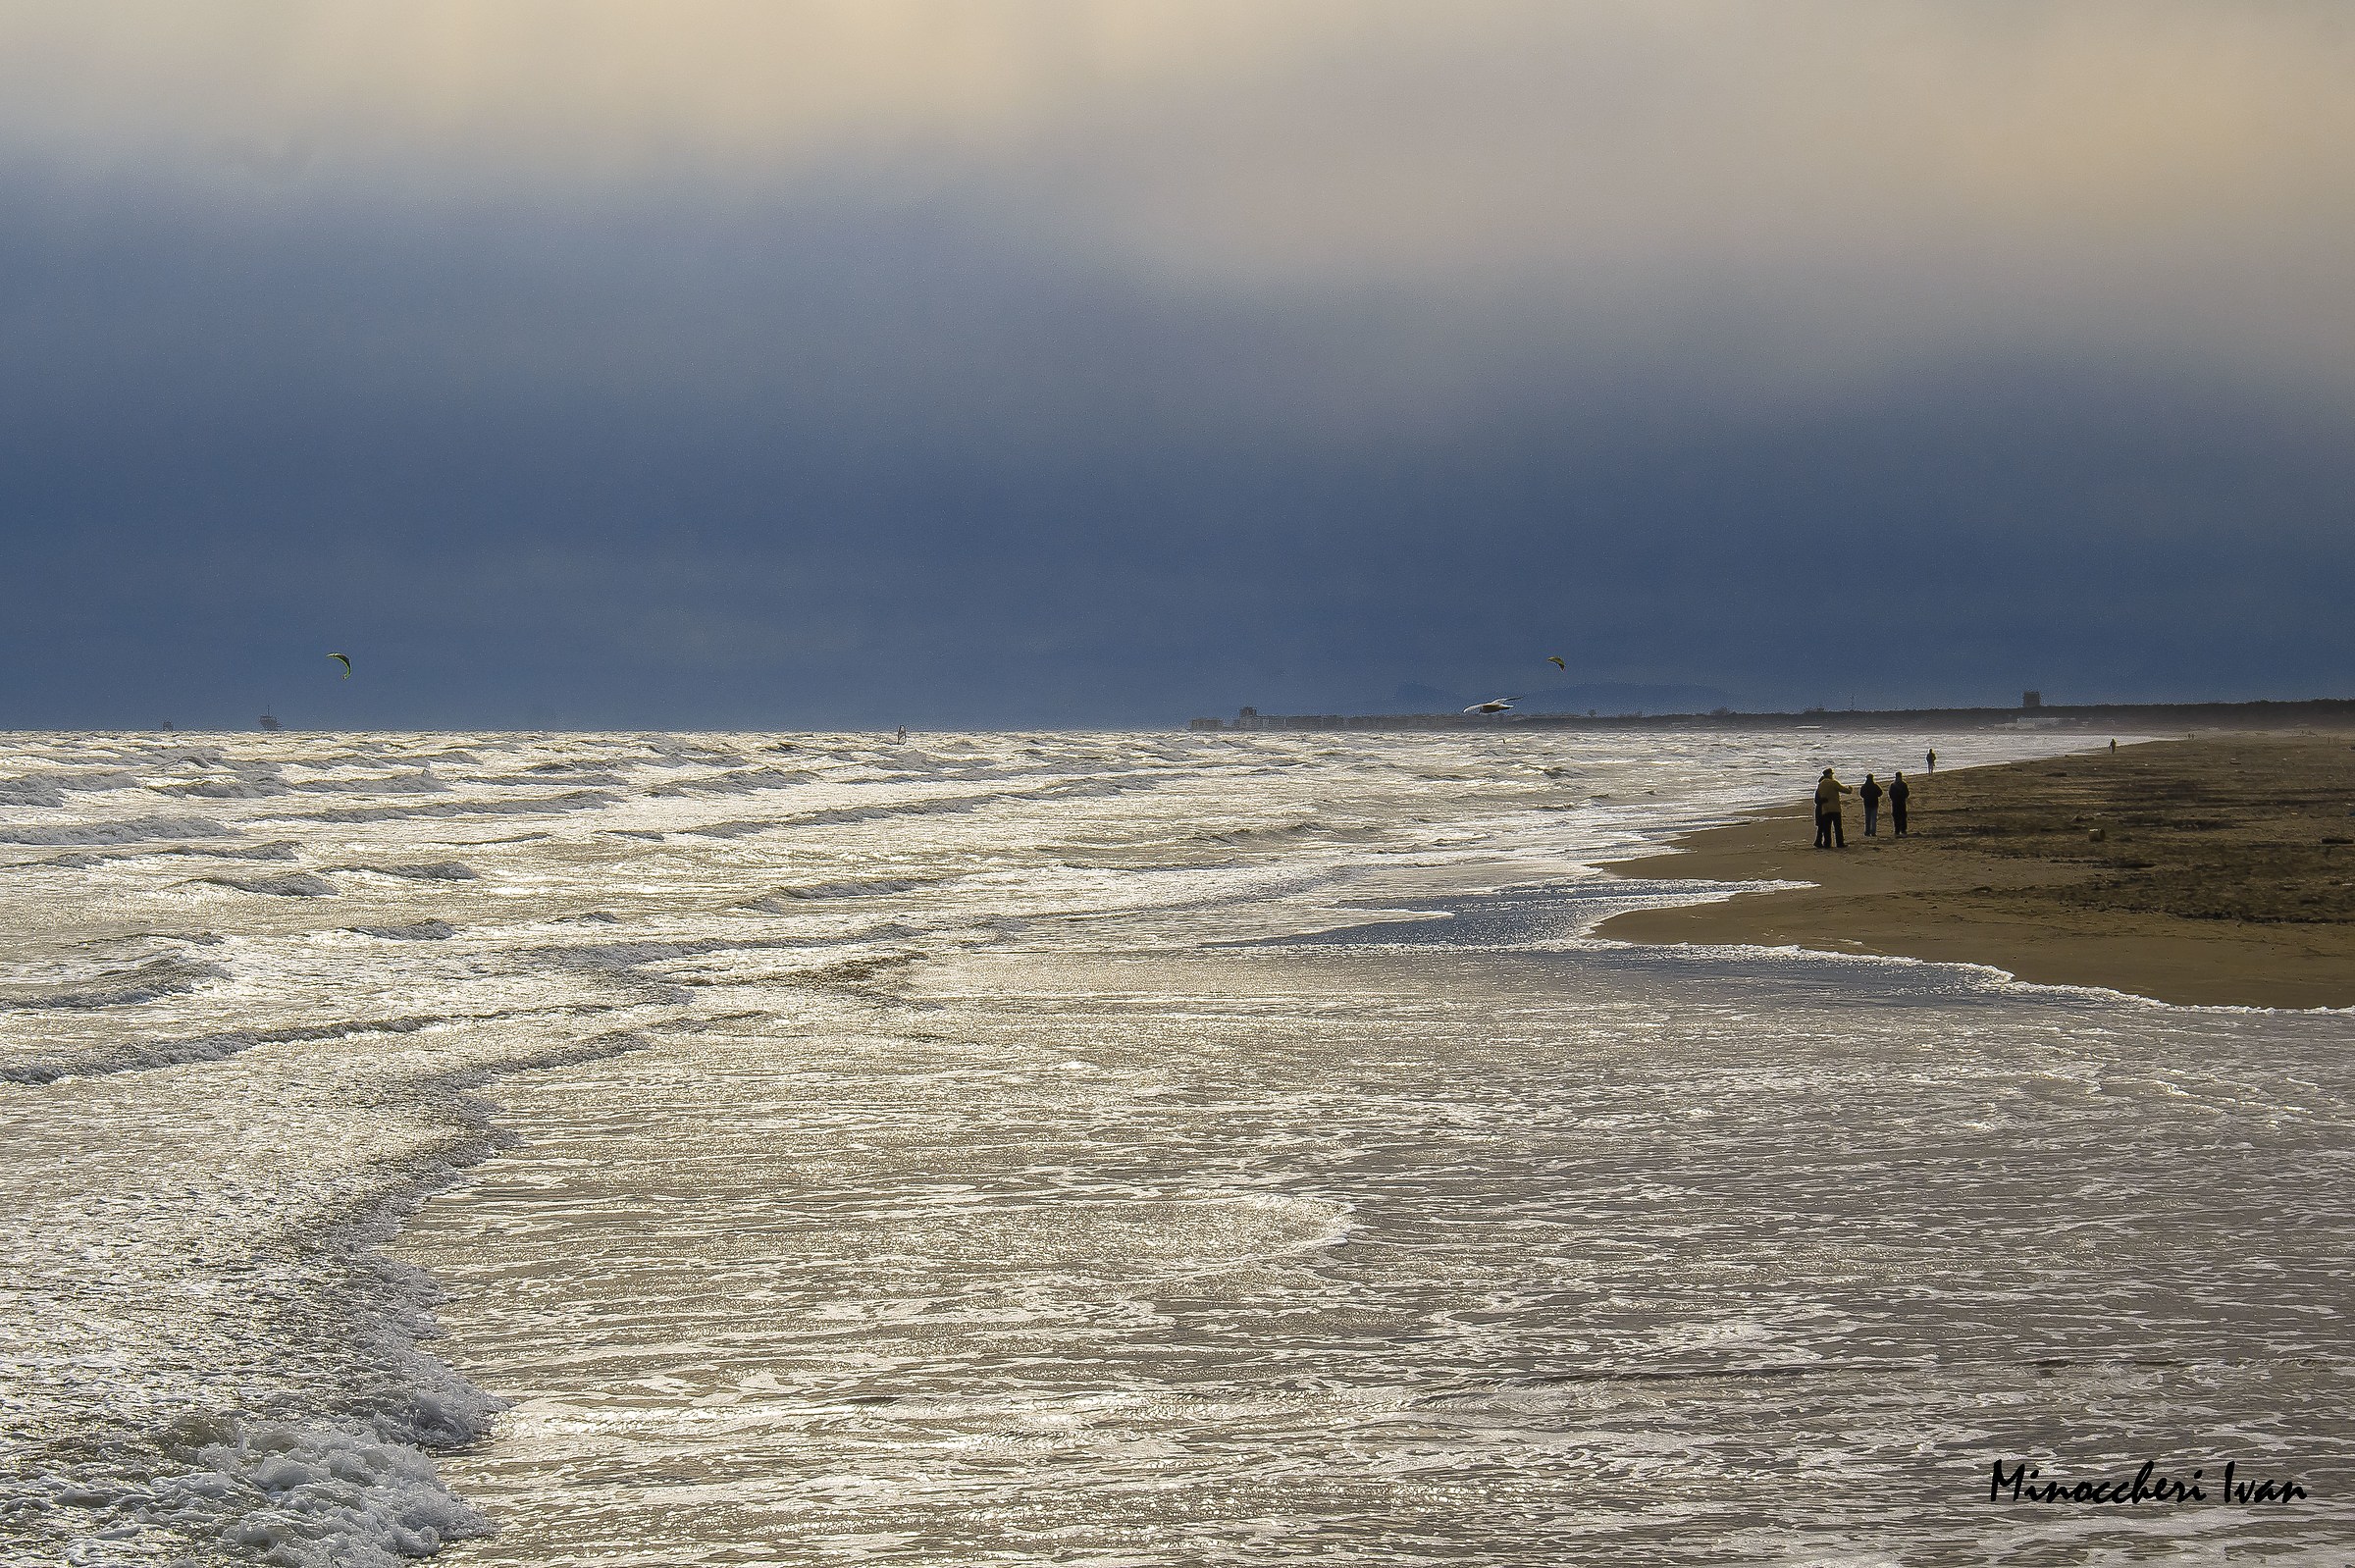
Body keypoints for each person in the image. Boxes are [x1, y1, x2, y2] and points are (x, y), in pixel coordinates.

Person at [1813, 768, 1852, 849]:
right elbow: (1845, 790)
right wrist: (1850, 789)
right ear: (1830, 774)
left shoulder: (1820, 785)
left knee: (1827, 828)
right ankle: (1839, 843)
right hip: (1835, 808)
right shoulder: (1833, 783)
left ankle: (1827, 844)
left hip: (1825, 809)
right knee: (1837, 827)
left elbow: (1818, 797)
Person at [1859, 772, 1883, 836]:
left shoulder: (1864, 786)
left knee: (1867, 818)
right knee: (1874, 818)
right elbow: (1880, 793)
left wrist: (1866, 797)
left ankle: (1867, 831)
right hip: (1874, 803)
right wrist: (1875, 795)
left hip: (1867, 803)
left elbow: (1861, 794)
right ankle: (1873, 832)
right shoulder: (1875, 786)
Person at [1888, 770, 1910, 836]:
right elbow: (1907, 793)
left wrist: (1893, 799)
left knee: (1896, 817)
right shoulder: (1904, 784)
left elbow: (1890, 794)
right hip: (1902, 802)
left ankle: (1897, 830)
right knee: (1903, 817)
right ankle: (1903, 830)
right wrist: (1903, 797)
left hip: (1895, 803)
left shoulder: (1893, 785)